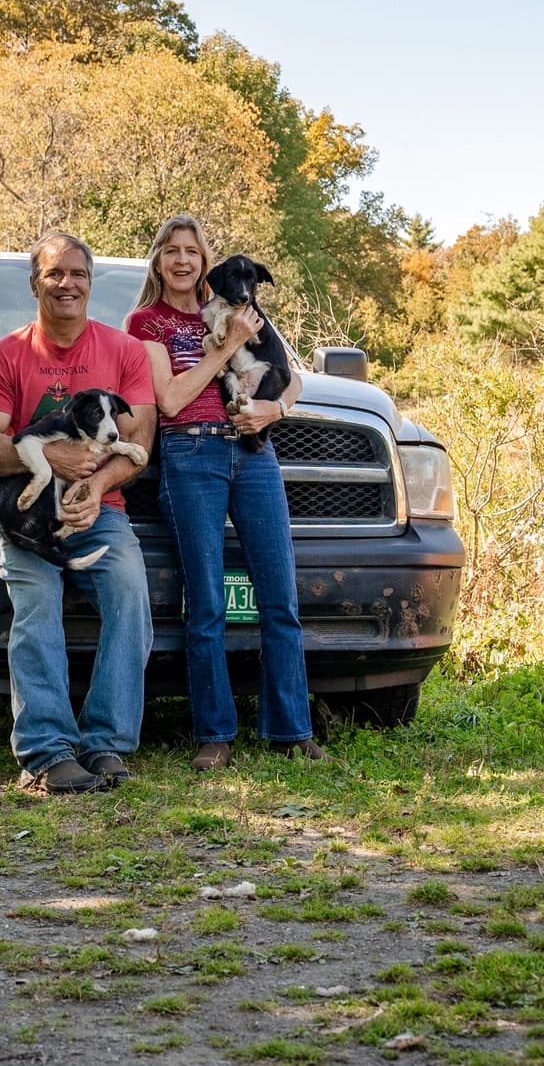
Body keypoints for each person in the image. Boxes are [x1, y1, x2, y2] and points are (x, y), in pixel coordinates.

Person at [127, 214, 327, 771]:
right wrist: (228, 345)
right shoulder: (146, 322)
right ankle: (214, 734)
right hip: (191, 454)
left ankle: (291, 731)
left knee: (280, 596)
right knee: (207, 602)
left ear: (205, 262)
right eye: (172, 250)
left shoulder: (238, 303)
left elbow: (293, 375)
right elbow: (169, 399)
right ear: (158, 260)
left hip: (255, 452)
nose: (182, 260)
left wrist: (273, 409)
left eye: (192, 251)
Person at [0, 231, 156, 795]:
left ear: (91, 284)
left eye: (78, 274)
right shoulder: (4, 355)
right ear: (35, 284)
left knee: (129, 593)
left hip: (100, 512)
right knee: (39, 605)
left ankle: (105, 743)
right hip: (23, 516)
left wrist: (95, 487)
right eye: (54, 273)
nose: (66, 283)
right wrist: (49, 456)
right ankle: (47, 752)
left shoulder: (124, 351)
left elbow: (140, 441)